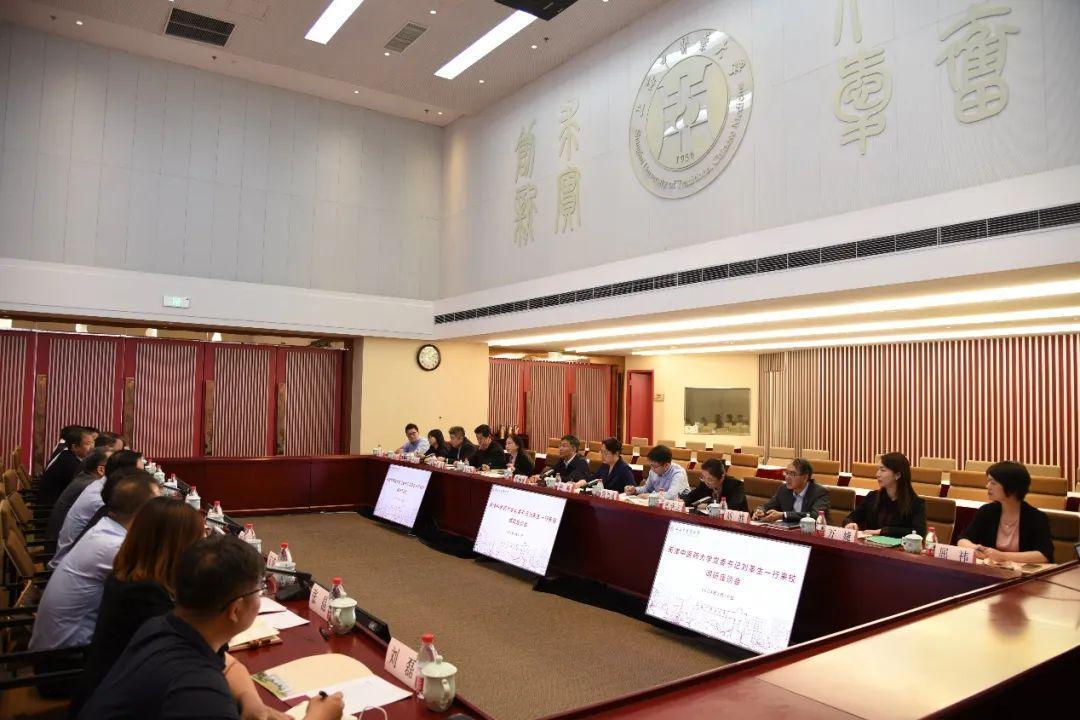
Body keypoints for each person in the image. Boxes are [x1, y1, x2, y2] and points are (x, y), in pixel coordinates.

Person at [76, 535, 344, 720]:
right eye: (260, 589)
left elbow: (224, 662)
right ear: (235, 609)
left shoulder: (161, 626)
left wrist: (250, 699)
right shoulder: (200, 694)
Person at [73, 497, 204, 712]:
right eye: (198, 541)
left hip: (110, 688)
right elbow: (195, 653)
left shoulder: (130, 574)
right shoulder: (144, 595)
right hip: (118, 706)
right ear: (178, 546)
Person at [30, 469, 161, 652]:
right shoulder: (114, 546)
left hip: (59, 643)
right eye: (159, 504)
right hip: (66, 656)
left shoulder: (106, 527)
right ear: (144, 512)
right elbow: (156, 588)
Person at [52, 449, 145, 569]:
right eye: (140, 473)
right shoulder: (102, 497)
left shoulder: (102, 485)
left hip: (74, 557)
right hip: (68, 559)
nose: (144, 478)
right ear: (124, 474)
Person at [958, 461, 1054, 564]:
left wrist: (1002, 556)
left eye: (993, 483)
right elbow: (963, 539)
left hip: (1022, 572)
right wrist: (974, 548)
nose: (987, 486)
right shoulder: (986, 511)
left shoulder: (1036, 517)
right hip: (991, 570)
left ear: (1010, 486)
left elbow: (1044, 555)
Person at [843, 452, 927, 537]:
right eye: (878, 470)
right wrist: (850, 523)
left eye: (882, 470)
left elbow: (919, 532)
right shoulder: (872, 496)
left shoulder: (916, 503)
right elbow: (850, 518)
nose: (877, 474)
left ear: (897, 475)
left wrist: (882, 531)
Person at [46, 447, 112, 540]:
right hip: (62, 542)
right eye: (116, 465)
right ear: (101, 470)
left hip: (61, 538)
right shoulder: (92, 486)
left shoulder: (85, 477)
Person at [752, 458, 830, 523]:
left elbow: (815, 516)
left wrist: (784, 515)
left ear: (805, 477)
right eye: (786, 473)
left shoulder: (819, 493)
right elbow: (767, 506)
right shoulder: (784, 490)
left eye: (792, 474)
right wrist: (760, 511)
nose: (787, 477)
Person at [38, 425, 95, 506]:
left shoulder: (68, 455)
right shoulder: (71, 463)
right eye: (88, 444)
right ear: (74, 447)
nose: (92, 447)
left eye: (93, 442)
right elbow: (84, 490)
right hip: (50, 508)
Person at [681, 458, 749, 511]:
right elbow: (692, 496)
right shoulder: (704, 483)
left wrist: (708, 506)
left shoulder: (736, 486)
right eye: (703, 477)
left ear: (721, 477)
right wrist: (682, 501)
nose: (706, 482)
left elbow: (732, 506)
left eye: (710, 480)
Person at [624, 445, 689, 500]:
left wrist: (650, 496)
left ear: (666, 465)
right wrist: (635, 490)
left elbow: (671, 496)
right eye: (651, 465)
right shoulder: (653, 470)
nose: (652, 469)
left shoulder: (678, 473)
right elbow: (647, 489)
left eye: (654, 467)